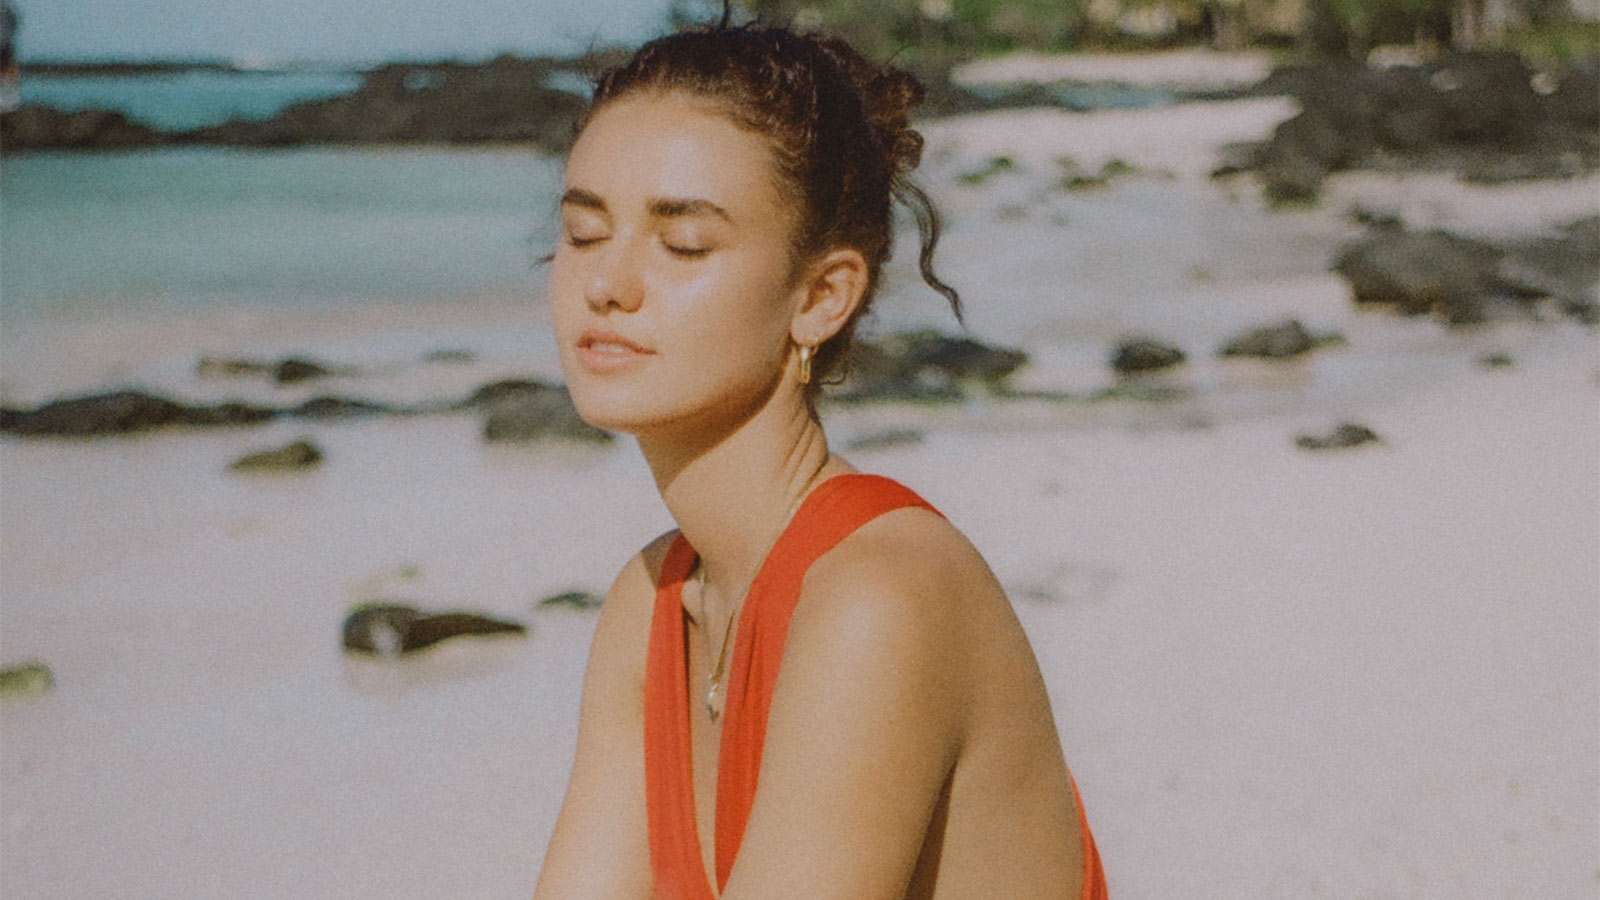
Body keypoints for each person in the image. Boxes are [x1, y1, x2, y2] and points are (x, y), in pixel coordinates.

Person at [531, 19, 1107, 900]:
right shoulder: (651, 605)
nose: (606, 284)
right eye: (583, 232)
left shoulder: (879, 598)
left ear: (822, 296)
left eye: (683, 245)